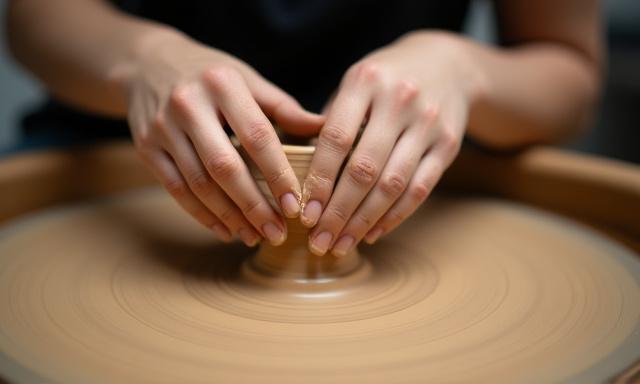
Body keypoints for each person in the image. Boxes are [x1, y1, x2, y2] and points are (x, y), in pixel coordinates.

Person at [6, 1, 603, 257]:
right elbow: (34, 17)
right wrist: (140, 59)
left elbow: (570, 76)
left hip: (404, 168)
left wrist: (463, 67)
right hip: (137, 140)